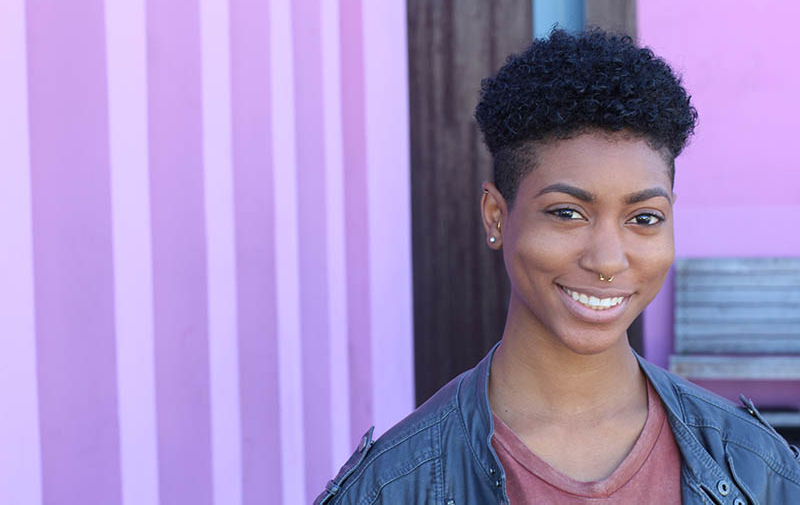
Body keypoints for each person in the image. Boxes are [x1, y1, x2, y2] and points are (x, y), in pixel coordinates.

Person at [314, 29, 800, 504]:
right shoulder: (395, 486)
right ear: (496, 217)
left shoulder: (756, 469)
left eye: (644, 218)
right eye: (568, 213)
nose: (608, 260)